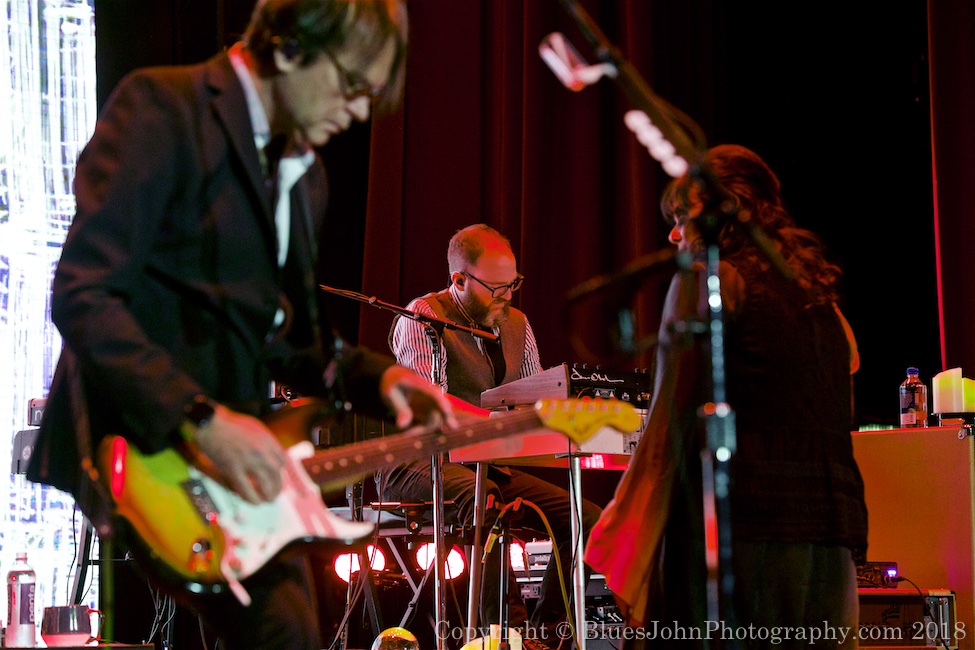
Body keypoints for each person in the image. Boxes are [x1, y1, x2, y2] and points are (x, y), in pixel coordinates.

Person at [26, 1, 457, 649]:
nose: (361, 110)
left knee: (282, 631)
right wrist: (199, 418)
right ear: (288, 47)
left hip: (235, 462)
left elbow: (288, 340)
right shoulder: (162, 109)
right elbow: (86, 294)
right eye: (353, 85)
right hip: (136, 441)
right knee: (276, 630)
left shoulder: (304, 177)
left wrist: (383, 379)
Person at [585, 145, 867, 648]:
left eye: (682, 215)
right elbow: (843, 384)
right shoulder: (823, 302)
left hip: (741, 539)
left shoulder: (707, 281)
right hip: (831, 540)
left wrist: (625, 549)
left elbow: (665, 435)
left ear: (722, 211)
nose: (673, 233)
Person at [386, 223, 602, 648]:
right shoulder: (423, 316)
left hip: (485, 465)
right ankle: (502, 637)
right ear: (459, 280)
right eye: (497, 287)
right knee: (488, 502)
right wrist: (498, 426)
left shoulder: (516, 323)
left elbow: (531, 399)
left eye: (513, 284)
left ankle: (544, 636)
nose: (507, 296)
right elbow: (433, 409)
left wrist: (577, 417)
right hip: (415, 464)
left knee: (588, 519)